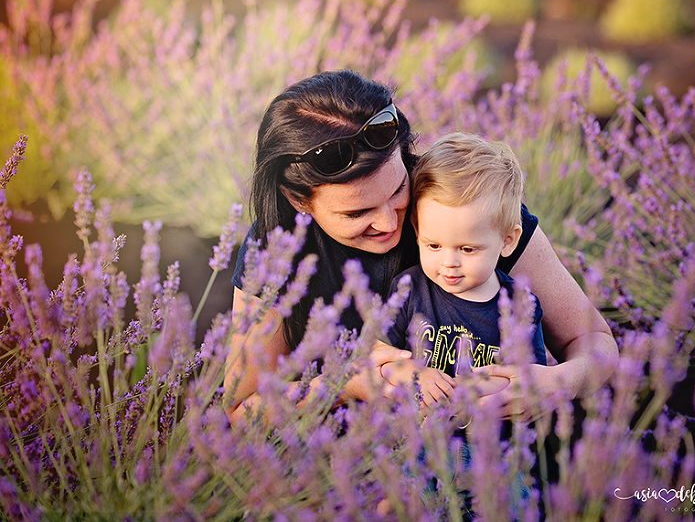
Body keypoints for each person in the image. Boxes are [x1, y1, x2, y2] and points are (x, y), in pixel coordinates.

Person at [224, 69, 618, 427]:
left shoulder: (463, 209)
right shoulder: (276, 248)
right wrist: (347, 384)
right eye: (358, 212)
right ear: (298, 200)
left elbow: (594, 341)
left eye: (398, 189)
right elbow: (240, 413)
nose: (390, 222)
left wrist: (557, 382)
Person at [379, 132, 547, 409]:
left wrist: (475, 389)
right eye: (433, 245)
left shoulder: (520, 305)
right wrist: (411, 372)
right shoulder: (408, 288)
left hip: (486, 439)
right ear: (417, 231)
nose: (449, 262)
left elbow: (530, 380)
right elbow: (378, 355)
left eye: (467, 249)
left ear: (508, 241)